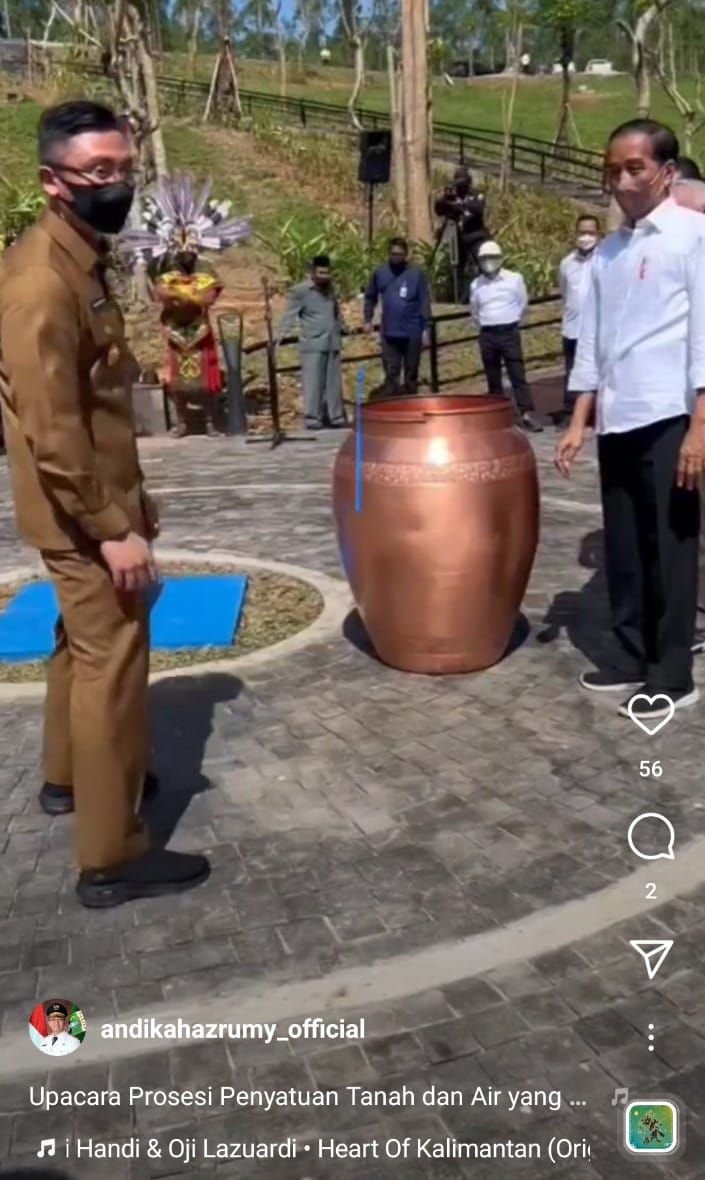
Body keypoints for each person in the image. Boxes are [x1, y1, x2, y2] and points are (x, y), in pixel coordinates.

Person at [0, 100, 210, 905]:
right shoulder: (40, 282)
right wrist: (112, 529)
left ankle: (69, 779)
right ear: (53, 181)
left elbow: (98, 407)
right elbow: (54, 430)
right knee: (113, 667)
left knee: (78, 646)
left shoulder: (77, 255)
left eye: (123, 168)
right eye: (97, 171)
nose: (116, 184)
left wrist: (135, 498)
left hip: (91, 499)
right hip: (80, 512)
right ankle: (112, 853)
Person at [556, 118, 705, 721]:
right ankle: (626, 653)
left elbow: (704, 338)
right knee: (623, 544)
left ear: (666, 173)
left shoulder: (693, 236)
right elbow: (592, 343)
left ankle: (671, 674)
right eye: (612, 169)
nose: (620, 180)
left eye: (634, 168)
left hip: (670, 414)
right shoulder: (608, 253)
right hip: (618, 417)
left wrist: (699, 428)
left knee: (669, 547)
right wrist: (579, 419)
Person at [119, 172, 250, 439]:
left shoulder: (205, 268)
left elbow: (209, 295)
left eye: (189, 248)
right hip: (176, 331)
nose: (185, 252)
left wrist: (185, 296)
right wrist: (183, 295)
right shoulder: (166, 269)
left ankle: (211, 422)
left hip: (200, 332)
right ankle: (182, 423)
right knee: (177, 382)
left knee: (208, 381)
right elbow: (162, 293)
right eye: (180, 249)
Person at [470, 240, 543, 433]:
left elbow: (522, 303)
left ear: (500, 258)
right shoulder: (476, 284)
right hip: (488, 333)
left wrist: (511, 320)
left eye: (492, 257)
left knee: (517, 374)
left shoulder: (514, 279)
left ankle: (526, 414)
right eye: (484, 258)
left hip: (509, 331)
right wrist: (485, 324)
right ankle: (498, 415)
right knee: (492, 376)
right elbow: (474, 311)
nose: (488, 262)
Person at [276, 254, 347, 430]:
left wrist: (344, 326)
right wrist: (280, 336)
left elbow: (336, 312)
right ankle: (312, 418)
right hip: (313, 343)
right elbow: (289, 315)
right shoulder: (301, 291)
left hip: (332, 342)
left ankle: (335, 416)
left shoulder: (331, 289)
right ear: (313, 272)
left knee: (333, 383)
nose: (324, 276)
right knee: (313, 383)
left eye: (327, 273)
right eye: (321, 273)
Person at [363, 238, 430, 397]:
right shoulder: (380, 273)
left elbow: (424, 301)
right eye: (393, 254)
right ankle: (392, 403)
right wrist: (368, 318)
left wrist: (426, 328)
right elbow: (370, 296)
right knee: (391, 372)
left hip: (412, 331)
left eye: (399, 254)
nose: (396, 257)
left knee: (411, 371)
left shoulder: (416, 274)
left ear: (406, 255)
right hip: (389, 332)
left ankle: (411, 401)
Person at [558, 214, 601, 423]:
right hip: (573, 327)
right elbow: (565, 292)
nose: (586, 237)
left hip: (599, 329)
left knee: (600, 372)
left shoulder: (606, 260)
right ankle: (571, 413)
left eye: (590, 232)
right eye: (582, 232)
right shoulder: (567, 263)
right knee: (572, 371)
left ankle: (598, 413)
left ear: (598, 234)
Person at [434, 166, 489, 298]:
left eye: (463, 183)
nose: (461, 187)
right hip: (459, 236)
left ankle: (485, 291)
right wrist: (444, 200)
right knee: (459, 267)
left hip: (476, 235)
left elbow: (478, 209)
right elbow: (439, 211)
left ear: (469, 182)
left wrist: (460, 204)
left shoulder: (476, 195)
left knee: (482, 264)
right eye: (458, 184)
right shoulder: (453, 196)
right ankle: (461, 296)